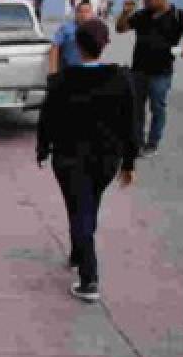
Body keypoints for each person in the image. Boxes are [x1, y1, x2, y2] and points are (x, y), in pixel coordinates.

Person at [37, 19, 139, 303]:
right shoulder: (121, 79)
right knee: (87, 204)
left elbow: (48, 119)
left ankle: (89, 278)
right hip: (106, 160)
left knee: (79, 208)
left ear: (76, 45)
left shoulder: (62, 81)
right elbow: (131, 124)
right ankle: (77, 252)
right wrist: (129, 163)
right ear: (105, 44)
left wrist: (42, 149)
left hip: (69, 158)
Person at [115, 0, 183, 156]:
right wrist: (125, 12)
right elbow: (120, 29)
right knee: (136, 108)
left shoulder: (179, 15)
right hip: (138, 71)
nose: (146, 1)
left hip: (161, 73)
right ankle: (137, 142)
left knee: (158, 108)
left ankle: (153, 143)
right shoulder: (142, 15)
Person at [49, 1, 96, 73]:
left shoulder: (96, 29)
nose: (83, 14)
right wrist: (53, 71)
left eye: (87, 12)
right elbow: (54, 47)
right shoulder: (66, 28)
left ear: (92, 14)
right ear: (76, 14)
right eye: (80, 12)